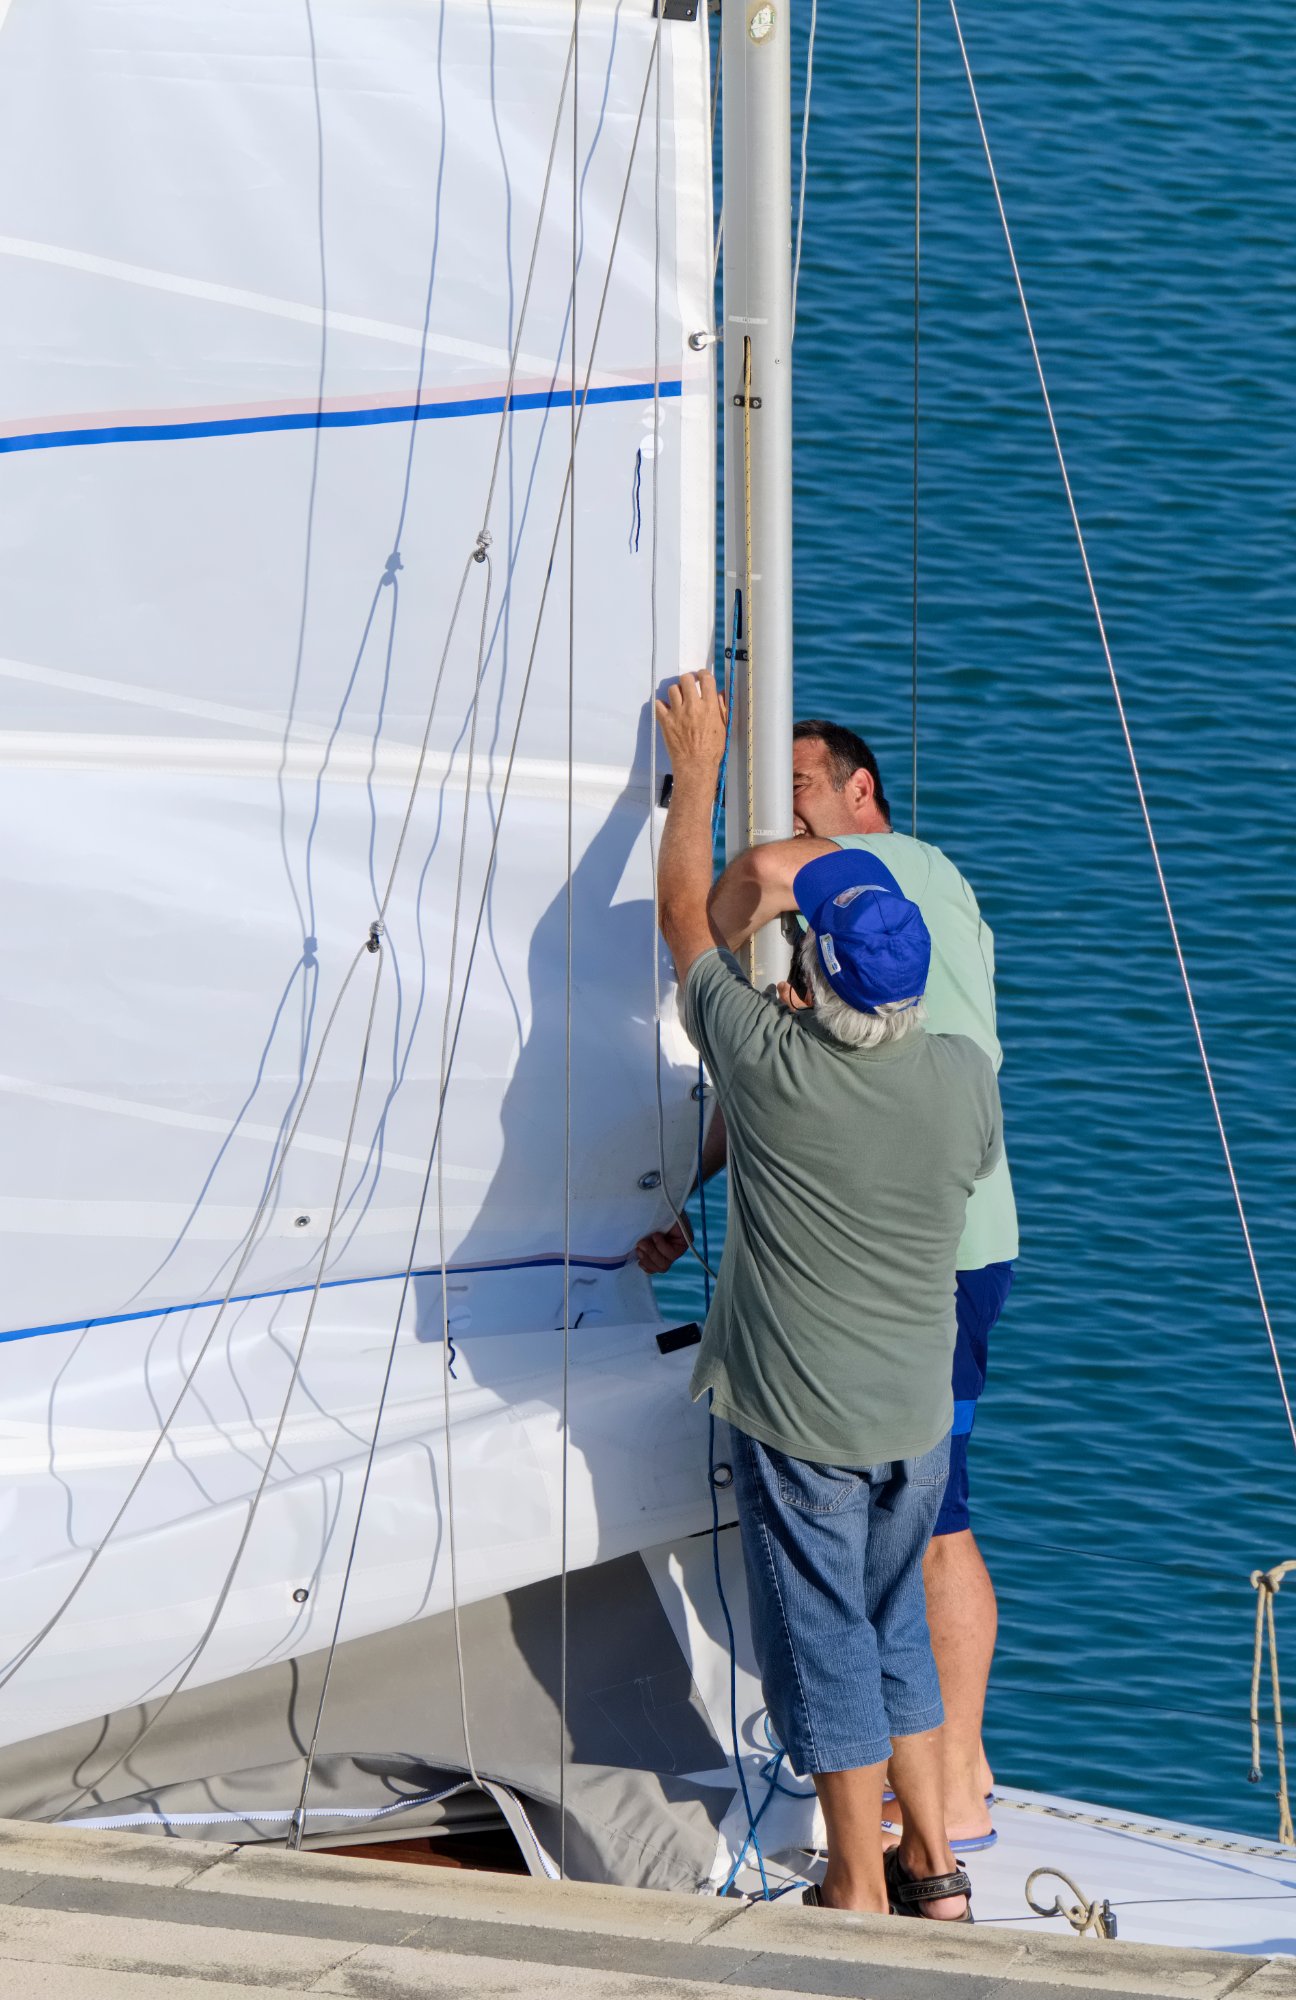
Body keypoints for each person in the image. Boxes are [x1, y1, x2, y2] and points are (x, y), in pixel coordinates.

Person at [654, 670, 1003, 1920]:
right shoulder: (961, 1078)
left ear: (817, 967)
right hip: (912, 1416)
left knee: (827, 1640)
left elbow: (687, 920)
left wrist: (696, 774)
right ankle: (936, 1868)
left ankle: (855, 1882)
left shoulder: (765, 1064)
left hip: (807, 1423)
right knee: (890, 1619)